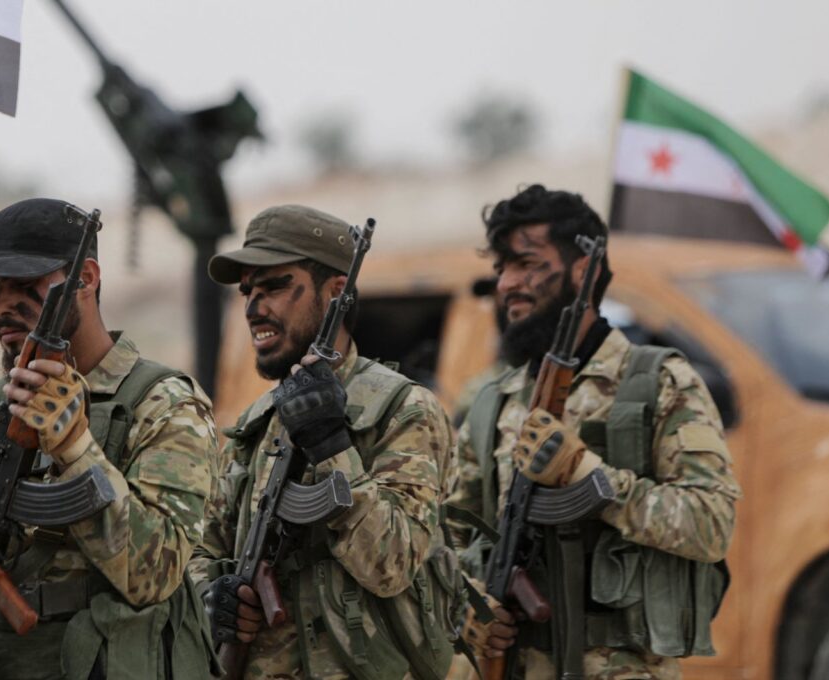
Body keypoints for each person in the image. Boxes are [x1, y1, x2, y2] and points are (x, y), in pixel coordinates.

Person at [0, 198, 218, 680]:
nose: (2, 305)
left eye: (25, 286)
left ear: (85, 279)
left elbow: (157, 575)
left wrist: (75, 448)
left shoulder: (163, 404)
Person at [450, 185, 742, 679]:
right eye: (501, 268)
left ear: (582, 270)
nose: (506, 284)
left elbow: (711, 525)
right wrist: (463, 602)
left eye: (525, 263)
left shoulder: (660, 383)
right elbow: (446, 536)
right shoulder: (492, 404)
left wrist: (592, 480)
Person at [189, 204, 461, 680]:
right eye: (247, 291)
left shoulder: (405, 410)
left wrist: (331, 446)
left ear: (336, 291)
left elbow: (391, 566)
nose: (254, 308)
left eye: (274, 286)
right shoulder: (256, 424)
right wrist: (212, 594)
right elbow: (202, 546)